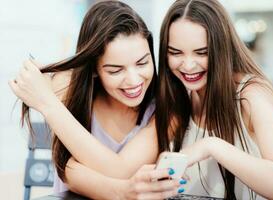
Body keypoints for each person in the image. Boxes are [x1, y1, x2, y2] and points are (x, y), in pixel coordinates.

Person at [9, 1, 184, 199]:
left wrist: (47, 104)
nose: (134, 80)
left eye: (142, 62)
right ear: (93, 69)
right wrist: (121, 190)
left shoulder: (166, 110)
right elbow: (67, 170)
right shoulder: (69, 89)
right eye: (115, 70)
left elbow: (119, 170)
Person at [156, 0, 273, 199]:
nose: (188, 65)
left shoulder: (250, 94)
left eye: (202, 52)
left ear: (221, 49)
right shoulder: (178, 99)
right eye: (175, 52)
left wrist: (211, 146)